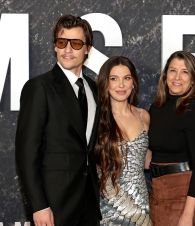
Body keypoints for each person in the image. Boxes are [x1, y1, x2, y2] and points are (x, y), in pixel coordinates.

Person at [15, 15, 101, 226]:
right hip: (54, 206)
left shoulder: (94, 88)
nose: (68, 49)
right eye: (62, 42)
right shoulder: (39, 87)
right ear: (55, 46)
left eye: (76, 43)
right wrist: (39, 206)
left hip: (88, 205)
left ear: (87, 48)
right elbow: (27, 153)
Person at [148, 50, 195, 226]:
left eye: (185, 72)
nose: (177, 77)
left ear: (193, 78)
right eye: (173, 70)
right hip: (158, 189)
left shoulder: (193, 110)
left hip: (183, 191)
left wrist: (189, 213)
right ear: (166, 74)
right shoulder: (156, 107)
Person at [95, 56, 152, 225]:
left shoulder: (144, 116)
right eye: (114, 79)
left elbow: (146, 160)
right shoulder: (96, 119)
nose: (121, 85)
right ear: (106, 83)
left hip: (142, 205)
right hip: (110, 209)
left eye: (126, 78)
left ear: (133, 82)